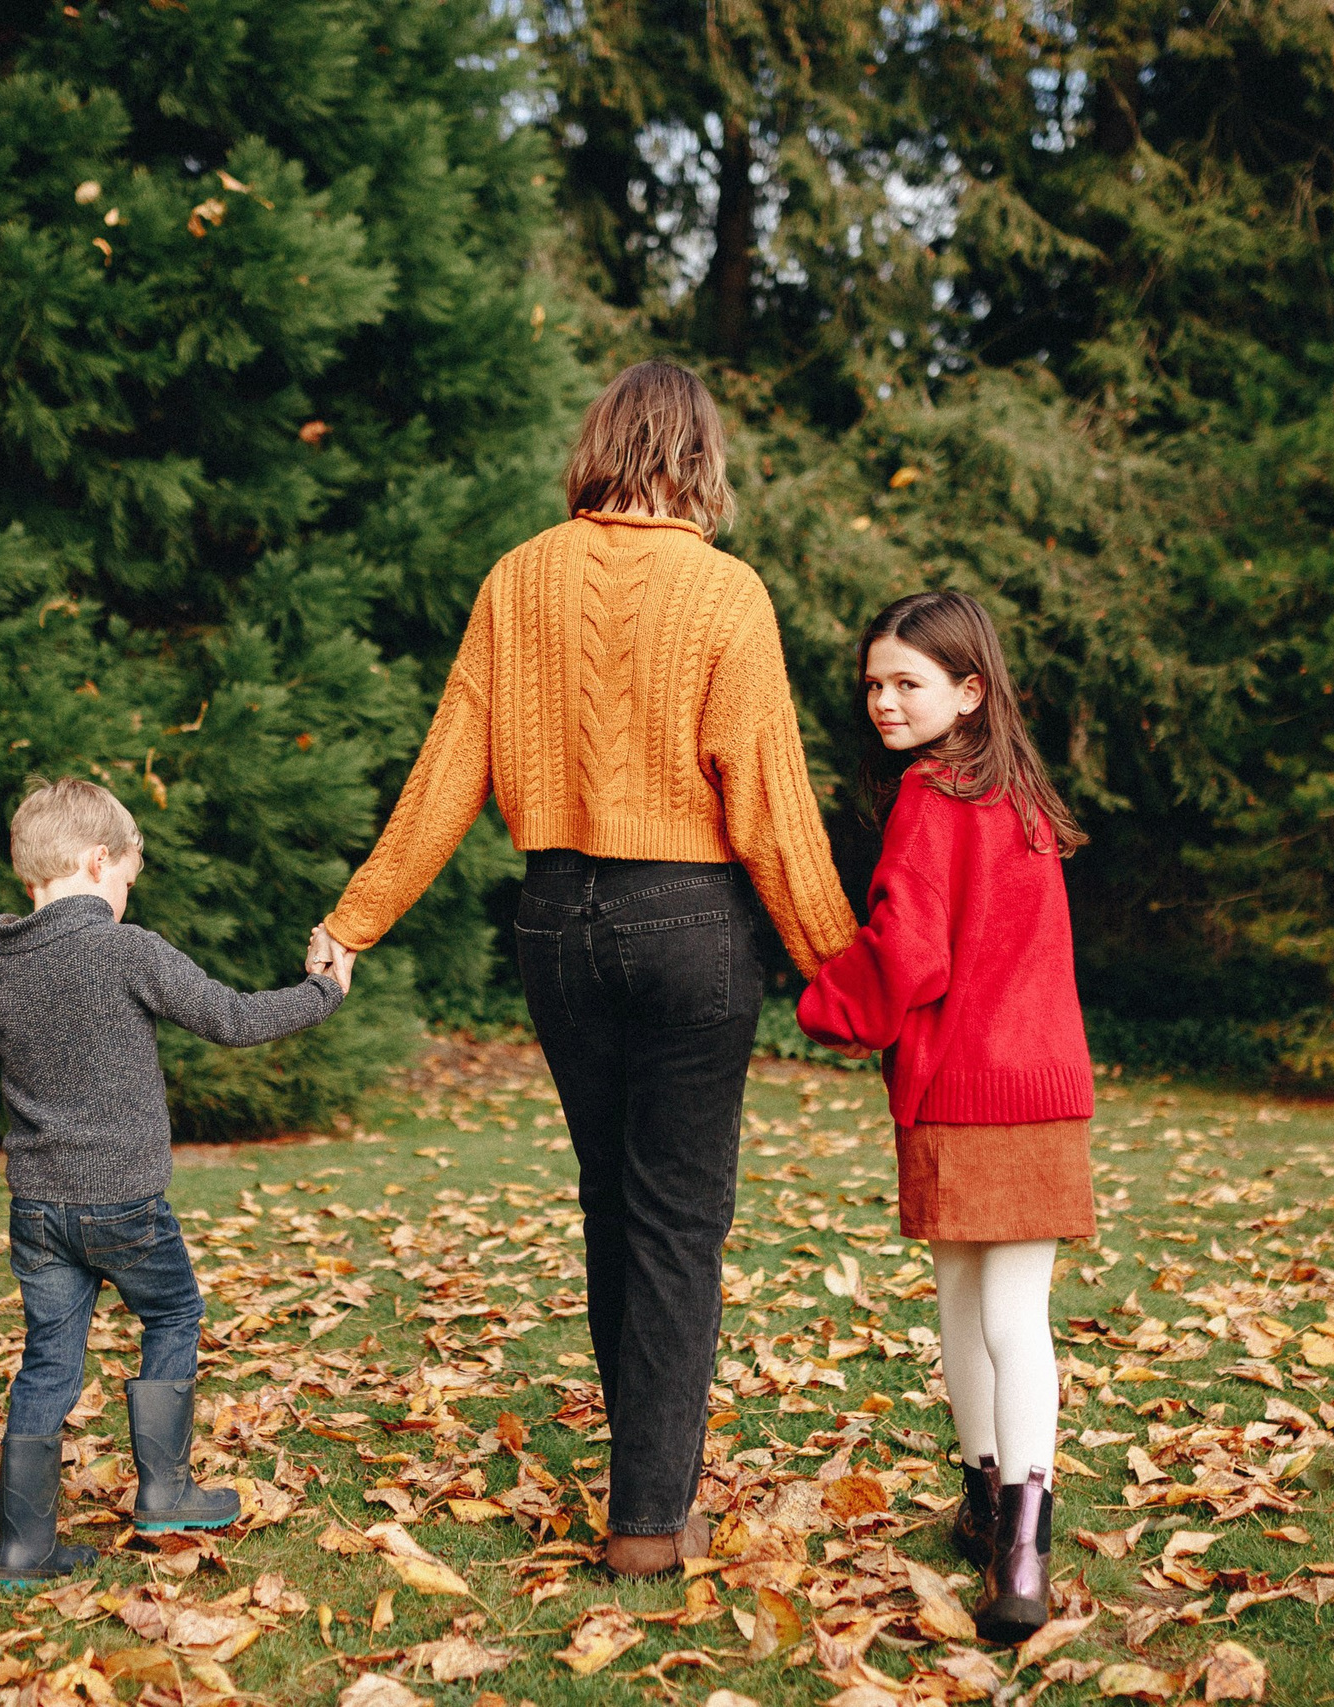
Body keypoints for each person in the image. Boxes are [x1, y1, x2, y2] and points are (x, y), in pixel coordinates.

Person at [305, 362, 856, 1576]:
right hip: (688, 922)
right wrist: (844, 970)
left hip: (557, 922)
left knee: (614, 1203)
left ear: (600, 445)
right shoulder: (726, 594)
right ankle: (650, 1521)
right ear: (698, 458)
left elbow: (450, 763)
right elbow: (766, 800)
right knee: (676, 1220)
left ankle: (642, 1500)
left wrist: (357, 917)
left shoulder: (520, 578)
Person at [0, 778, 353, 1585]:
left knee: (48, 1363)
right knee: (173, 1310)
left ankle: (23, 1548)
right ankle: (164, 1489)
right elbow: (232, 1019)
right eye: (127, 878)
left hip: (38, 1209)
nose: (127, 894)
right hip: (125, 1200)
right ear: (98, 861)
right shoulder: (126, 949)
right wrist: (322, 993)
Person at [795, 590, 1096, 1643]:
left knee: (988, 1312)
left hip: (966, 1091)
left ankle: (1011, 1540)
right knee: (989, 1307)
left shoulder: (929, 800)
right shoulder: (1023, 801)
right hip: (1041, 1086)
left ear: (969, 692)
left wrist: (823, 1003)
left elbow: (907, 958)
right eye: (872, 683)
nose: (881, 701)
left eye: (906, 683)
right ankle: (995, 1521)